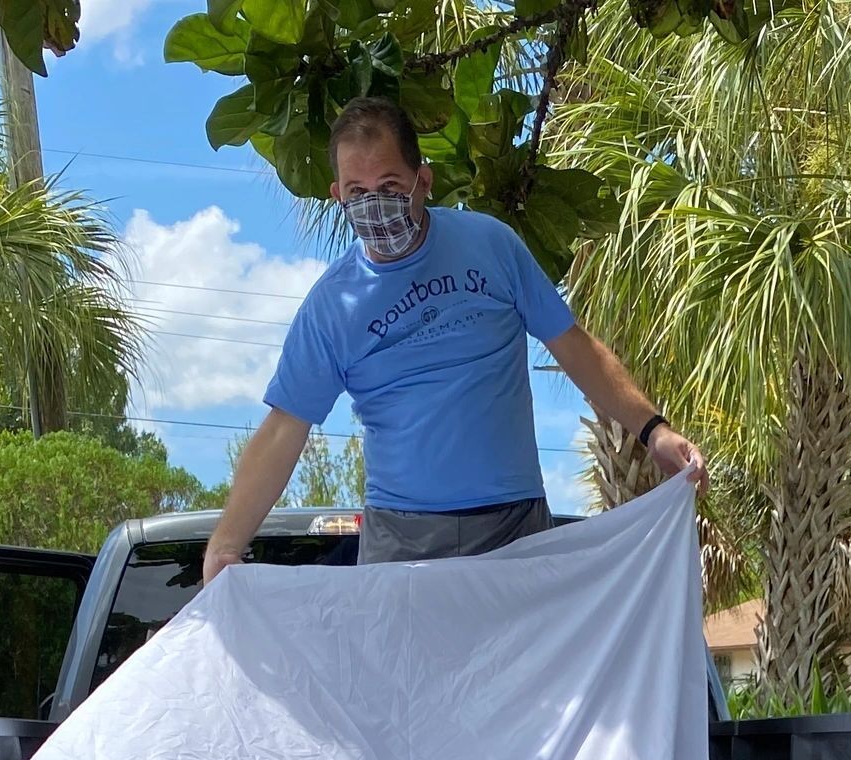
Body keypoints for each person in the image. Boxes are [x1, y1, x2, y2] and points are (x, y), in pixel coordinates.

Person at [202, 96, 705, 579]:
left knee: (522, 670)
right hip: (401, 541)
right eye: (357, 192)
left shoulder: (491, 244)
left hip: (515, 529)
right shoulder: (332, 305)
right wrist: (226, 544)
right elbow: (285, 426)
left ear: (424, 180)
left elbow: (573, 345)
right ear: (338, 196)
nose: (374, 203)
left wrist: (653, 429)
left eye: (390, 184)